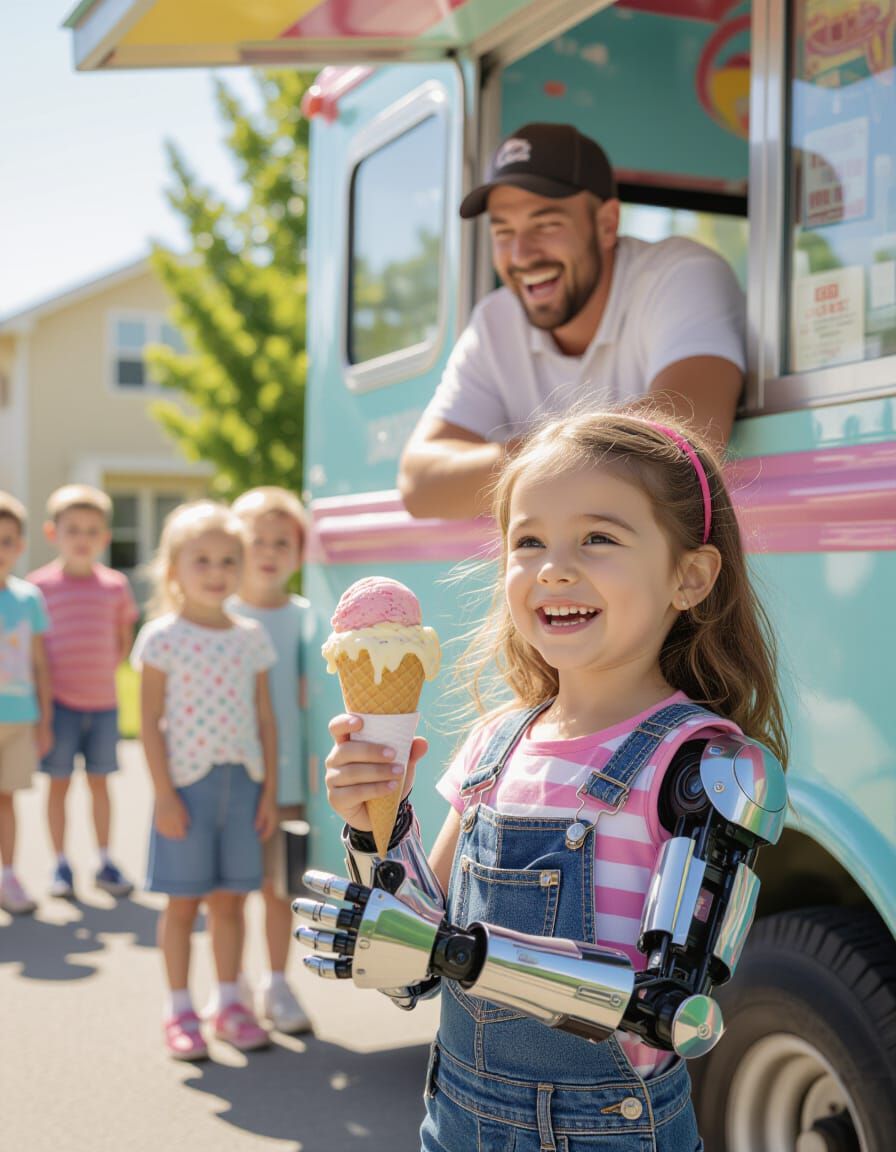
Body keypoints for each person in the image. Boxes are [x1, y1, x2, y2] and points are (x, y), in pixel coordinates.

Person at [319, 411, 788, 1150]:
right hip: (457, 1119)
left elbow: (663, 1006)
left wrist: (461, 954)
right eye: (528, 541)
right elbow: (407, 974)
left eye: (598, 538)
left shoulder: (704, 765)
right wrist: (374, 827)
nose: (553, 568)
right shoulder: (491, 746)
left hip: (608, 1131)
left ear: (688, 576)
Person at [398, 122, 747, 520]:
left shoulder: (682, 274)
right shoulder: (495, 320)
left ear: (607, 224)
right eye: (503, 231)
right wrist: (582, 453)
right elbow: (420, 482)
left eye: (546, 225)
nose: (522, 254)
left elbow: (688, 431)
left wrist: (524, 461)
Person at [132, 500, 279, 1060]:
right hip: (185, 792)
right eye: (202, 560)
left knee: (230, 902)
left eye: (227, 560)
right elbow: (147, 722)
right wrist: (164, 795)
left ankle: (229, 1004)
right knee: (182, 905)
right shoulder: (160, 637)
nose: (216, 571)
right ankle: (179, 1009)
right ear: (173, 569)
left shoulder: (251, 638)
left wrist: (267, 791)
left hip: (241, 788)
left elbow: (266, 719)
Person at [229, 486, 313, 1034]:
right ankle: (229, 984)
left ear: (300, 553)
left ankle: (276, 983)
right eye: (256, 539)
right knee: (231, 886)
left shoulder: (308, 618)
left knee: (279, 887)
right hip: (232, 779)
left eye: (282, 541)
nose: (268, 551)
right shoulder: (223, 616)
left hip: (287, 781)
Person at [28, 484, 138, 900]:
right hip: (57, 706)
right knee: (58, 784)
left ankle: (105, 860)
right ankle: (59, 864)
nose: (82, 538)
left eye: (92, 530)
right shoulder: (38, 587)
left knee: (99, 783)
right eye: (72, 529)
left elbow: (122, 640)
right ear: (52, 533)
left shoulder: (114, 587)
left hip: (103, 705)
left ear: (104, 537)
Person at [0, 493, 51, 916]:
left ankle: (8, 875)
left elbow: (39, 663)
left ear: (19, 546)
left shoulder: (28, 598)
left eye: (6, 541)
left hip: (19, 719)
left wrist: (45, 718)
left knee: (7, 800)